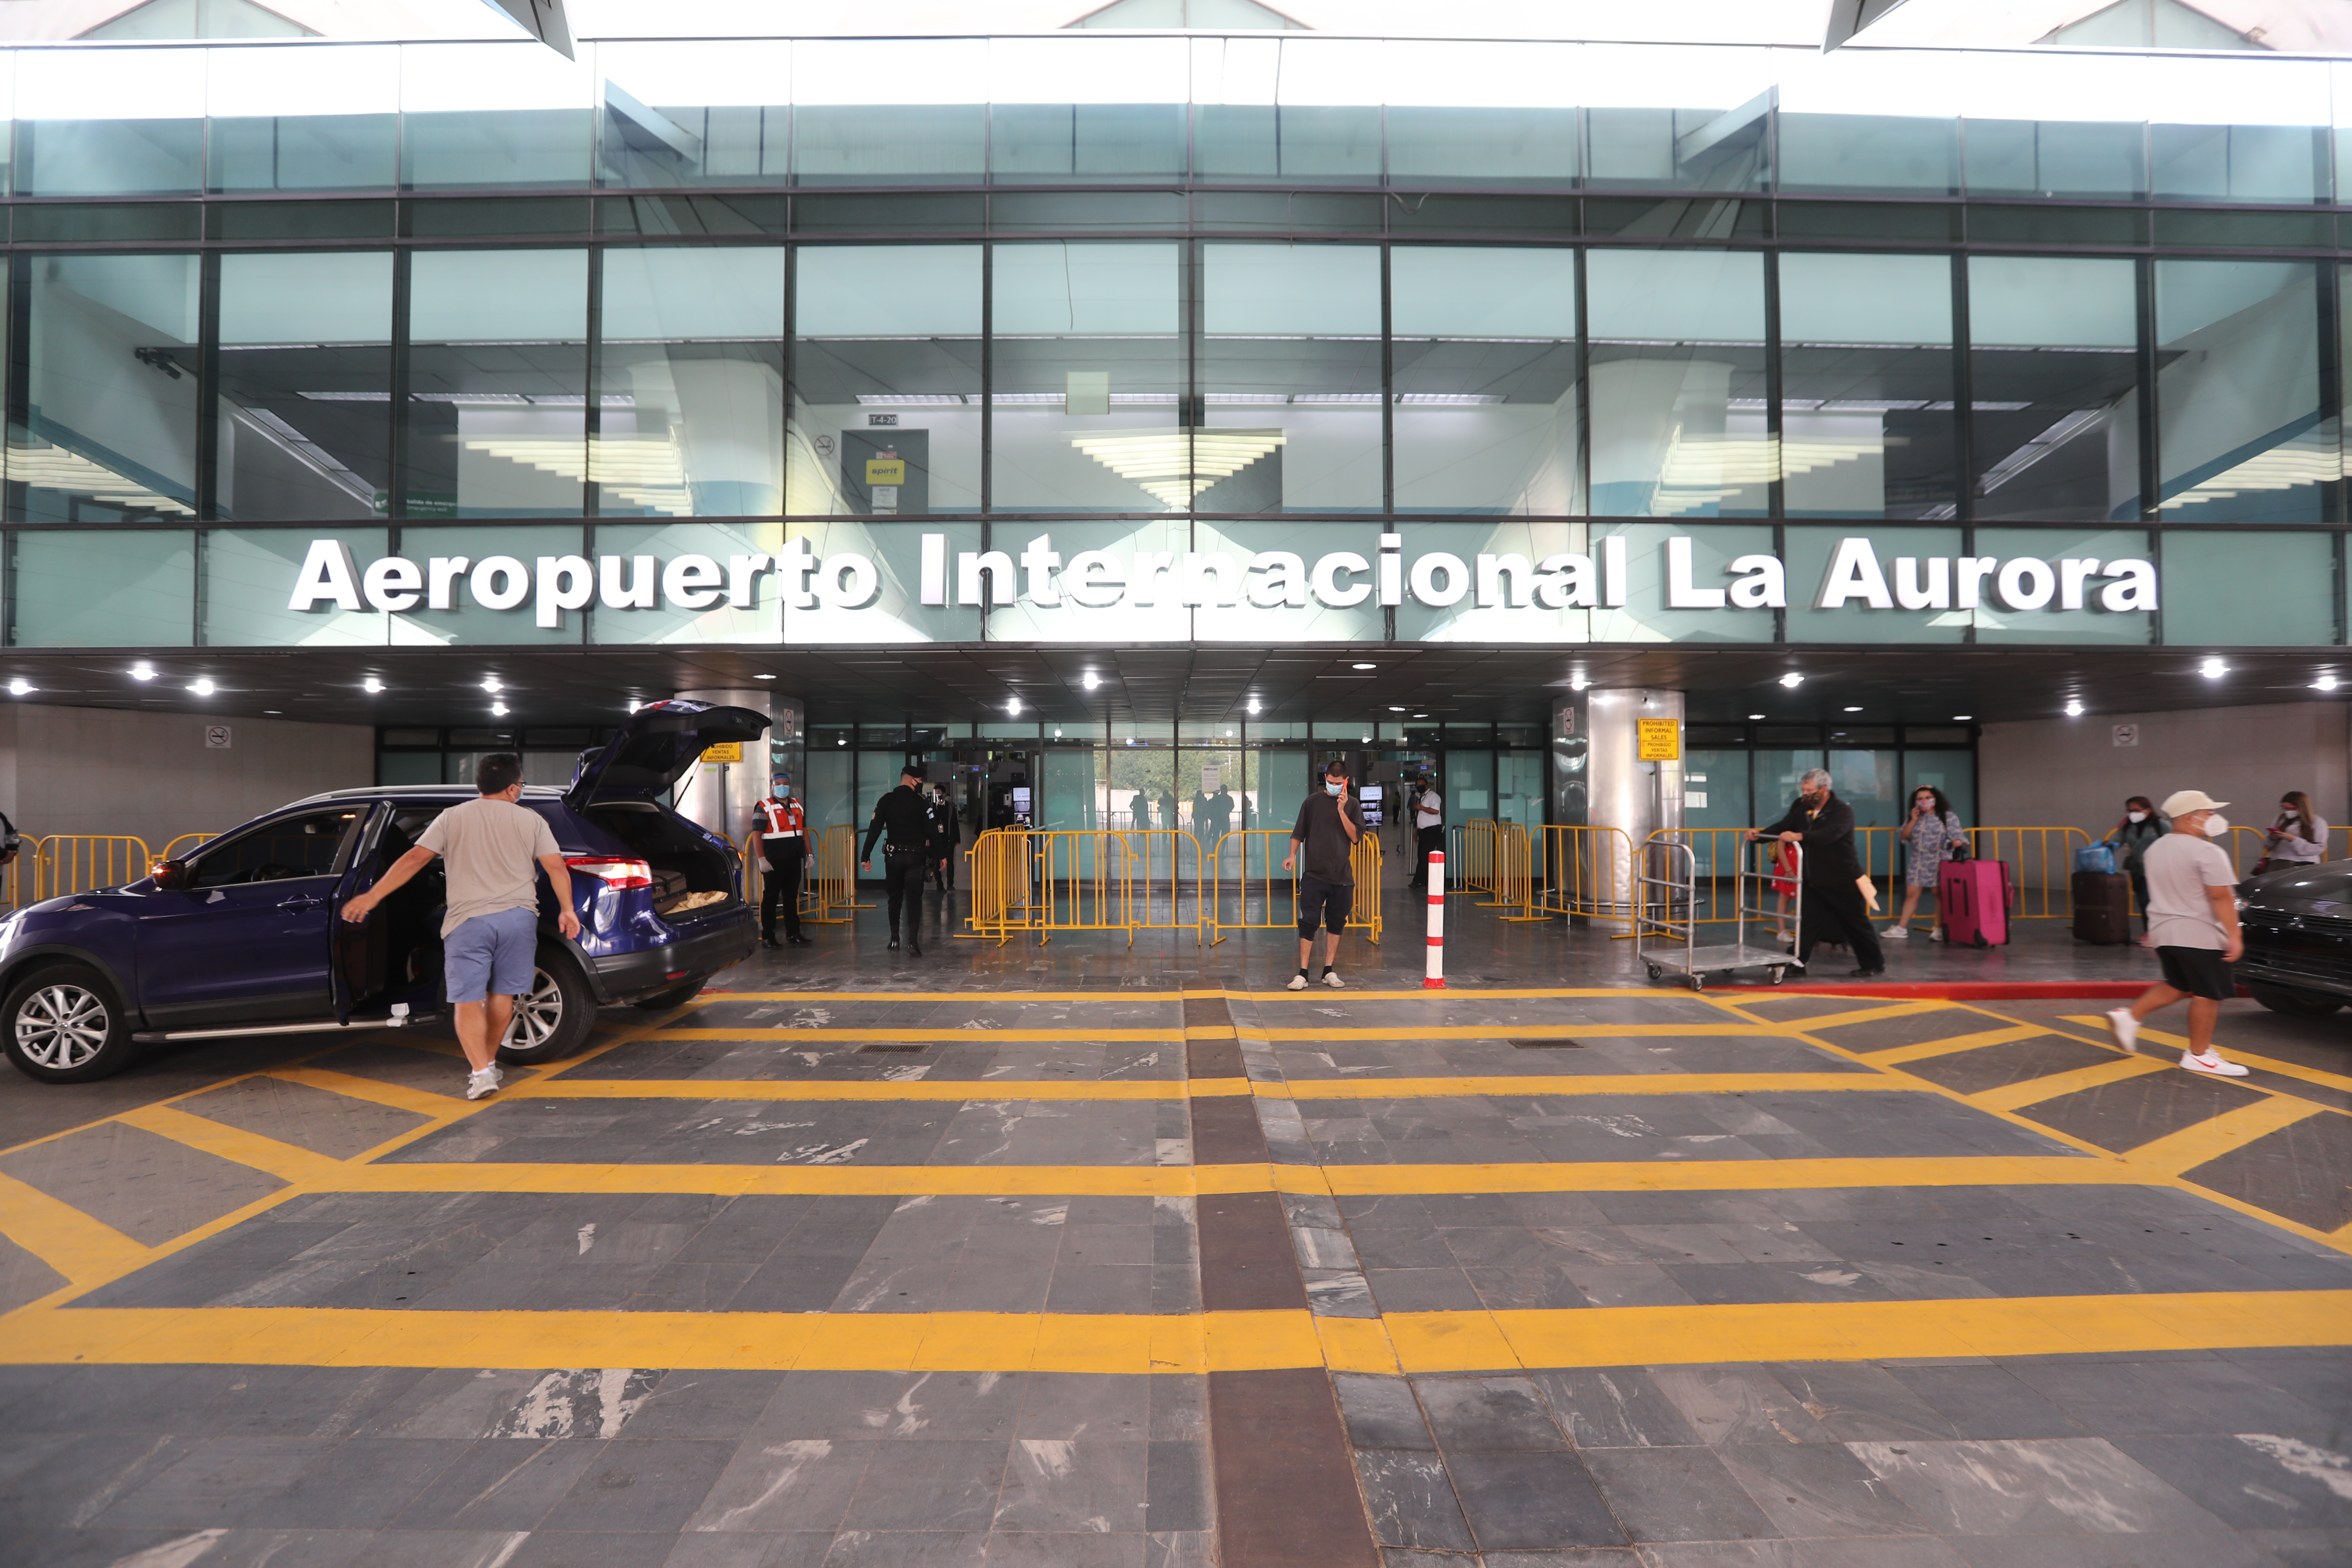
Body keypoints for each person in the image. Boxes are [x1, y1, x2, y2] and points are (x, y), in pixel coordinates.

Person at [341, 753, 581, 1100]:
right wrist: (567, 910)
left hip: (468, 921)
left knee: (468, 1000)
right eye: (522, 785)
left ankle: (481, 1074)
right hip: (517, 919)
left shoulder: (452, 817)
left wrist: (372, 897)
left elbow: (415, 859)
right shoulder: (531, 820)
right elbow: (556, 867)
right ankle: (489, 1063)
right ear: (512, 788)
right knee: (503, 995)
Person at [2104, 790, 2250, 1077]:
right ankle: (2199, 1055)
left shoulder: (2156, 848)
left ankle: (2129, 1017)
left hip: (2164, 931)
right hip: (2200, 933)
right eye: (2208, 813)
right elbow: (2220, 896)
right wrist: (2235, 934)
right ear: (2189, 818)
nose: (2214, 818)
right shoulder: (2207, 852)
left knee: (2179, 985)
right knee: (2208, 994)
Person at [1753, 768, 1885, 977]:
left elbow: (1830, 835)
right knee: (1807, 922)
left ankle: (1873, 964)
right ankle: (1797, 962)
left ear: (1824, 790)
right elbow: (1784, 826)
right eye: (1803, 790)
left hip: (1843, 878)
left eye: (1809, 790)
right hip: (1814, 878)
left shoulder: (1842, 811)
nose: (1805, 794)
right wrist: (1759, 836)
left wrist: (1800, 836)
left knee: (1856, 923)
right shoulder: (1803, 809)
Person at [1282, 760, 1366, 990]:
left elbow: (1355, 837)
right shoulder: (1312, 802)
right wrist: (1292, 855)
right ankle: (1303, 973)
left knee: (1336, 923)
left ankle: (1328, 970)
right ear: (1325, 779)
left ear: (1346, 782)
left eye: (1338, 783)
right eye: (1330, 782)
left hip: (1342, 877)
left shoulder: (1353, 805)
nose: (1333, 786)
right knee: (1308, 922)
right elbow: (1298, 833)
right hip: (1314, 874)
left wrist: (1341, 810)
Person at [861, 763, 934, 954]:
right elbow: (932, 831)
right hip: (915, 859)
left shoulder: (886, 800)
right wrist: (941, 856)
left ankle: (894, 939)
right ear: (912, 781)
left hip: (893, 858)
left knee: (894, 898)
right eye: (920, 781)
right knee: (914, 900)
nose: (921, 784)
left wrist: (865, 855)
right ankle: (913, 942)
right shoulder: (921, 802)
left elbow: (875, 830)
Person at [1889, 785, 1964, 942]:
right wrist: (1913, 820)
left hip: (1941, 860)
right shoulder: (1914, 817)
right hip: (1918, 860)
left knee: (1939, 894)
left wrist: (1957, 842)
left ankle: (1939, 929)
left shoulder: (1948, 816)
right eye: (1920, 799)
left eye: (1928, 798)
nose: (1925, 801)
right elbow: (1904, 836)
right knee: (1912, 894)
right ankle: (1901, 928)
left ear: (1936, 799)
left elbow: (1958, 836)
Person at [748, 773, 809, 949]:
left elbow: (804, 831)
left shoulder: (797, 805)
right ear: (772, 787)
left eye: (786, 784)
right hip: (773, 860)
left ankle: (794, 933)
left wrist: (809, 854)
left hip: (793, 858)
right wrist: (761, 859)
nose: (783, 787)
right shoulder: (763, 807)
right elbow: (757, 835)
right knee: (771, 897)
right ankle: (768, 936)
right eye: (779, 784)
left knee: (791, 897)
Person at [2109, 795, 2169, 942]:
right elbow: (2117, 840)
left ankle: (2154, 933)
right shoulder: (2128, 827)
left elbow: (2175, 841)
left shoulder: (2161, 825)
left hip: (2158, 870)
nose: (2133, 814)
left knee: (2148, 901)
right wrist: (2108, 846)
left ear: (2148, 810)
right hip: (2137, 870)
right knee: (2143, 903)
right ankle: (2150, 932)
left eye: (2137, 810)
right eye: (2130, 811)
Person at [2252, 791, 2328, 876]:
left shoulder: (2317, 822)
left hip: (2302, 864)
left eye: (2292, 809)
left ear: (2302, 807)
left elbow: (2319, 848)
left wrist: (2293, 839)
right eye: (2285, 809)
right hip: (2277, 862)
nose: (2288, 812)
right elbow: (2268, 845)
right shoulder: (2280, 819)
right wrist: (2272, 838)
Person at [1407, 774, 1445, 891]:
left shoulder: (1433, 796)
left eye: (1422, 785)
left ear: (1427, 785)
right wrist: (1417, 831)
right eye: (1417, 785)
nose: (1419, 787)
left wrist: (1421, 807)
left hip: (1432, 830)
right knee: (1422, 856)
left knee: (1424, 856)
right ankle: (1424, 881)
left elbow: (1436, 811)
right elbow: (1421, 817)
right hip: (1424, 831)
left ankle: (1417, 881)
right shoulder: (1422, 797)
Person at [927, 783, 961, 895]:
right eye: (935, 793)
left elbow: (955, 823)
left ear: (944, 794)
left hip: (948, 839)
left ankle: (950, 884)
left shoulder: (950, 807)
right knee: (937, 863)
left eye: (939, 793)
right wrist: (927, 838)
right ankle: (940, 885)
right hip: (936, 840)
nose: (937, 795)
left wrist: (957, 838)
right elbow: (927, 824)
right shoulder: (931, 807)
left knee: (950, 862)